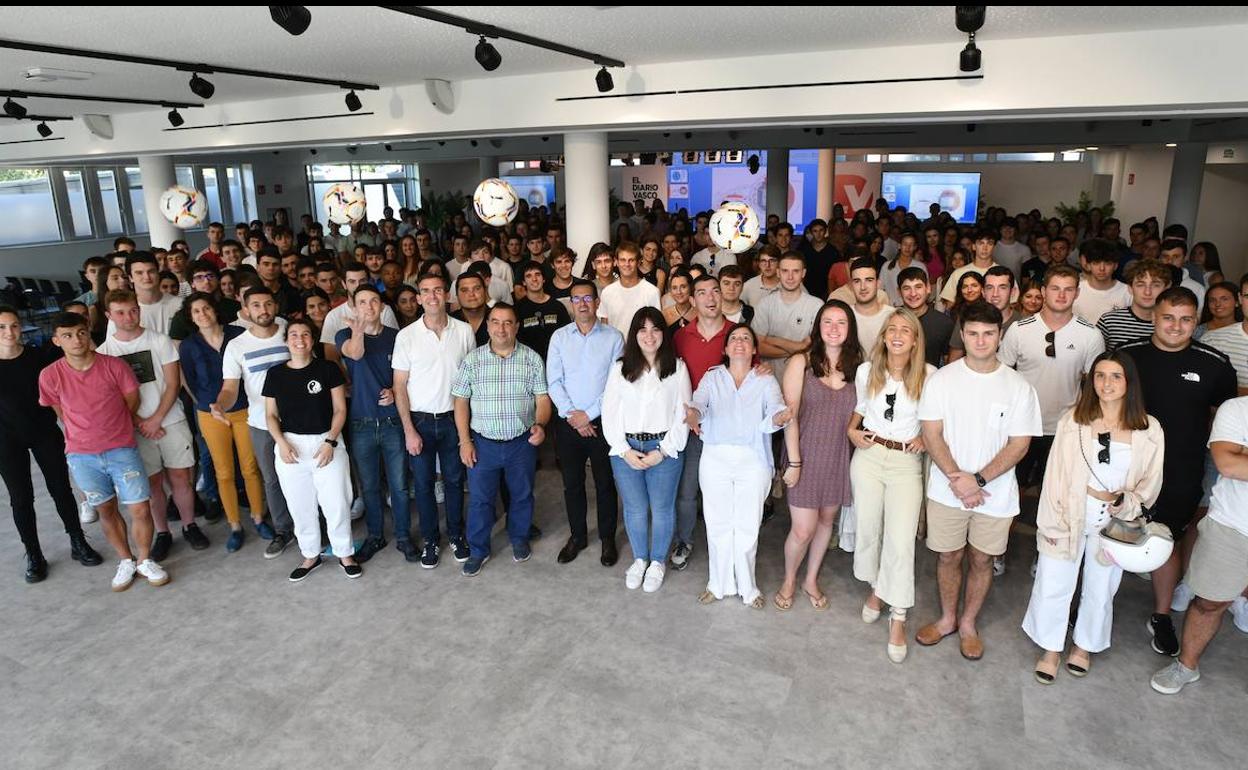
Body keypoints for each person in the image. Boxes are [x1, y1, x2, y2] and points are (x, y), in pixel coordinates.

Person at [1023, 352, 1164, 683]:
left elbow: (1151, 481)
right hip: (1070, 512)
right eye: (1100, 375)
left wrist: (1126, 502)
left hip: (1116, 520)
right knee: (1054, 581)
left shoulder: (1149, 428)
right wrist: (1052, 521)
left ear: (1129, 382)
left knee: (1101, 587)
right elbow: (1054, 474)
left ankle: (1084, 646)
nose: (1107, 383)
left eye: (1116, 376)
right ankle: (1051, 647)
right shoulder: (1074, 420)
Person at [915, 302, 1042, 660]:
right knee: (948, 556)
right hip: (946, 488)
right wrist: (959, 479)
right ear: (963, 334)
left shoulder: (1018, 387)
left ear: (1000, 335)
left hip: (995, 494)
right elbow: (932, 433)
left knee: (983, 560)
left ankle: (968, 623)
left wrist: (979, 479)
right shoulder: (942, 379)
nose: (981, 340)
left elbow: (1020, 444)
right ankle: (947, 619)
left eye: (988, 333)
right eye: (973, 333)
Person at [1119, 287, 1237, 656]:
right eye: (1168, 317)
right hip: (1125, 467)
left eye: (1186, 319)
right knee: (1105, 536)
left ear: (1195, 321)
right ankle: (1089, 604)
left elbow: (1224, 420)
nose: (1176, 326)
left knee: (1165, 539)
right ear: (1154, 316)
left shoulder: (1214, 363)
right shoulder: (1126, 356)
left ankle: (1161, 614)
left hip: (1181, 469)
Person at [38, 312, 167, 591]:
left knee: (140, 507)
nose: (76, 340)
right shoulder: (50, 375)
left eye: (81, 332)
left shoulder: (114, 366)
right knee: (106, 509)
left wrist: (114, 425)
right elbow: (60, 411)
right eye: (68, 335)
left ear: (89, 333)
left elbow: (131, 399)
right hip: (82, 455)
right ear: (57, 340)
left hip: (121, 448)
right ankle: (126, 560)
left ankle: (145, 559)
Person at [849, 309, 934, 663]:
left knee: (900, 540)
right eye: (892, 329)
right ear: (883, 336)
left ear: (915, 339)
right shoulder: (866, 371)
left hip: (904, 463)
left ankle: (898, 616)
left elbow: (938, 423)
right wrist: (851, 430)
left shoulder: (929, 376)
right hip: (869, 458)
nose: (898, 335)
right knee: (869, 529)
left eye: (906, 330)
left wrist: (928, 441)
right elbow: (859, 410)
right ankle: (877, 589)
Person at [687, 324, 792, 608]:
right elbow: (699, 403)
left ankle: (748, 587)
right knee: (718, 522)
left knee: (747, 524)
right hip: (716, 457)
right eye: (734, 338)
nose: (740, 342)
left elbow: (774, 408)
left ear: (755, 349)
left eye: (746, 338)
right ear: (725, 348)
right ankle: (717, 583)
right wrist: (693, 414)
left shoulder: (765, 379)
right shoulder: (712, 377)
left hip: (752, 459)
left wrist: (780, 418)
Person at [1151, 394, 1248, 694]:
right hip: (1233, 526)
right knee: (1208, 603)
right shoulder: (1237, 409)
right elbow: (1228, 463)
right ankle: (1186, 667)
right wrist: (1237, 456)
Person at [99, 290, 206, 558]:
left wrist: (156, 418)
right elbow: (112, 398)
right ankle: (162, 532)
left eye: (133, 310)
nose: (128, 317)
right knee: (153, 483)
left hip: (171, 419)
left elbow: (172, 383)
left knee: (181, 478)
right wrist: (140, 422)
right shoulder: (104, 353)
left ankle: (189, 524)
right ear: (108, 316)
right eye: (121, 312)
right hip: (134, 428)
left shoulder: (160, 340)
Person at [0, 307, 103, 582]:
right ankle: (33, 554)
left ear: (21, 328)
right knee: (21, 499)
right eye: (2, 328)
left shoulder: (38, 358)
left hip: (44, 431)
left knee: (60, 488)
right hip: (6, 439)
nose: (9, 333)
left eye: (13, 326)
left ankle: (78, 541)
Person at [452, 303, 552, 576]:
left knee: (521, 496)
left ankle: (519, 539)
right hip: (483, 444)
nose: (501, 328)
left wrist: (540, 424)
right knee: (481, 500)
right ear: (487, 326)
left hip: (521, 443)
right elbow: (460, 401)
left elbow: (542, 398)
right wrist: (465, 441)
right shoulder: (473, 361)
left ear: (517, 326)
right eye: (495, 322)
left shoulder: (532, 359)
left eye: (508, 322)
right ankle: (478, 550)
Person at [777, 301, 861, 611]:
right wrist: (794, 462)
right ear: (818, 326)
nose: (834, 328)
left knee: (827, 521)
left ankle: (810, 578)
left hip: (839, 455)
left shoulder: (858, 368)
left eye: (841, 322)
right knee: (802, 529)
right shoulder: (801, 362)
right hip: (805, 453)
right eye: (828, 321)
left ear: (850, 329)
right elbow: (790, 416)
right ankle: (789, 578)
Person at [602, 307, 691, 591]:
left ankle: (657, 562)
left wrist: (662, 451)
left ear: (664, 334)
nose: (649, 336)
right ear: (634, 334)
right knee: (635, 508)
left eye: (655, 329)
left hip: (663, 448)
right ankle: (640, 559)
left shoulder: (677, 367)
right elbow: (610, 412)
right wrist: (623, 449)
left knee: (662, 508)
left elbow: (683, 414)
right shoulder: (620, 368)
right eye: (642, 329)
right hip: (626, 447)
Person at [263, 319, 359, 581]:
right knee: (299, 504)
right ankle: (310, 554)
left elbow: (340, 409)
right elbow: (270, 415)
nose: (299, 339)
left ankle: (344, 552)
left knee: (337, 502)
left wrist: (330, 442)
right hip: (290, 445)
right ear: (286, 341)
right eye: (293, 334)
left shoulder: (327, 369)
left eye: (305, 334)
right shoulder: (275, 374)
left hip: (326, 441)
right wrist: (281, 442)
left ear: (312, 340)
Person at [999, 264, 1106, 494]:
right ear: (1044, 291)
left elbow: (1095, 387)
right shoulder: (1019, 329)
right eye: (1055, 288)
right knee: (1010, 489)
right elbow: (1001, 377)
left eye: (1068, 289)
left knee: (1057, 492)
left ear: (1077, 293)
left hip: (1065, 428)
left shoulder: (1090, 334)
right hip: (1021, 426)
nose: (1061, 295)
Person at [393, 272, 476, 568]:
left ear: (447, 295)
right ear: (418, 298)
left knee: (455, 481)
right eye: (426, 291)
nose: (432, 296)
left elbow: (471, 379)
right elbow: (399, 386)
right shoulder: (407, 336)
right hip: (421, 421)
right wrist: (409, 431)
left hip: (455, 419)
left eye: (438, 290)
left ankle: (456, 534)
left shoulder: (464, 331)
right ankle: (430, 540)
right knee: (425, 484)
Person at [180, 293, 270, 553]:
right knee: (223, 471)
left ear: (215, 310)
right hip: (210, 413)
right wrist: (208, 404)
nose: (203, 314)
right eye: (196, 311)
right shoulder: (188, 345)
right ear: (191, 317)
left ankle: (258, 517)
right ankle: (235, 526)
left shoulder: (238, 335)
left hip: (244, 408)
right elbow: (191, 382)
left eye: (206, 308)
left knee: (250, 468)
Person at [547, 281, 625, 567]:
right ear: (571, 303)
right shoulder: (559, 337)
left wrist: (588, 415)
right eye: (576, 299)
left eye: (588, 298)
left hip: (602, 423)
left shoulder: (614, 338)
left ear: (597, 302)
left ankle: (607, 538)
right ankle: (577, 536)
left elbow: (615, 384)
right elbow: (553, 381)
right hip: (568, 424)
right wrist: (573, 415)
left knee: (605, 483)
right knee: (572, 484)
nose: (582, 304)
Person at [214, 287, 295, 560]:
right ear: (246, 310)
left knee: (306, 474)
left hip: (299, 420)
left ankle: (314, 525)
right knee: (272, 480)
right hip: (261, 423)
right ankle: (284, 530)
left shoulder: (288, 331)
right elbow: (230, 388)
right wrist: (219, 404)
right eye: (256, 305)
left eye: (268, 303)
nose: (263, 309)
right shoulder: (237, 346)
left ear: (275, 305)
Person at [335, 285, 412, 563]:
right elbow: (355, 354)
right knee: (369, 486)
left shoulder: (397, 337)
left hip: (392, 422)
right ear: (354, 307)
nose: (368, 307)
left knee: (399, 484)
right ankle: (376, 536)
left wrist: (394, 390)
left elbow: (406, 374)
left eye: (374, 301)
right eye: (362, 302)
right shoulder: (344, 335)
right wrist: (358, 329)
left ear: (382, 306)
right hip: (362, 424)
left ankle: (403, 537)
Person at [1096, 259, 1171, 351]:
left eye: (1155, 285)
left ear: (1166, 288)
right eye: (1140, 285)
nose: (1147, 292)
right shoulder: (1108, 322)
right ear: (1130, 288)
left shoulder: (1173, 324)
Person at [598, 242, 661, 336]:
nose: (627, 264)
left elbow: (656, 326)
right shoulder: (607, 292)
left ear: (638, 262)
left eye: (631, 260)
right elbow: (604, 325)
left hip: (642, 349)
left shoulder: (652, 292)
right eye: (623, 260)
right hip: (615, 349)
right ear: (616, 262)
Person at [514, 263, 571, 361]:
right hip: (527, 362)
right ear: (523, 282)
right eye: (529, 276)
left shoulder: (557, 306)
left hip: (556, 362)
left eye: (538, 274)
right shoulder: (517, 309)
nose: (534, 279)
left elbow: (568, 337)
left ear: (544, 279)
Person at [898, 267, 952, 367]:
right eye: (906, 288)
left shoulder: (944, 323)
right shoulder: (891, 320)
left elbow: (948, 363)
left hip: (931, 380)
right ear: (899, 292)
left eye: (918, 287)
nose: (913, 293)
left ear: (928, 288)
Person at [1073, 239, 1132, 324]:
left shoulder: (1127, 292)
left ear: (1116, 265)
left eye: (1108, 263)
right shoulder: (1076, 290)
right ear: (1088, 265)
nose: (1102, 268)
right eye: (1096, 263)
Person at [847, 257, 896, 351]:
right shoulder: (844, 316)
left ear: (878, 284)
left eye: (869, 280)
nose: (863, 287)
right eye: (857, 281)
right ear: (851, 285)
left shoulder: (892, 316)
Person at [939, 229, 998, 307]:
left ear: (994, 247)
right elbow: (949, 303)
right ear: (973, 246)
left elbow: (1013, 303)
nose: (985, 248)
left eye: (989, 243)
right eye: (981, 243)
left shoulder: (1003, 273)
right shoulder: (958, 273)